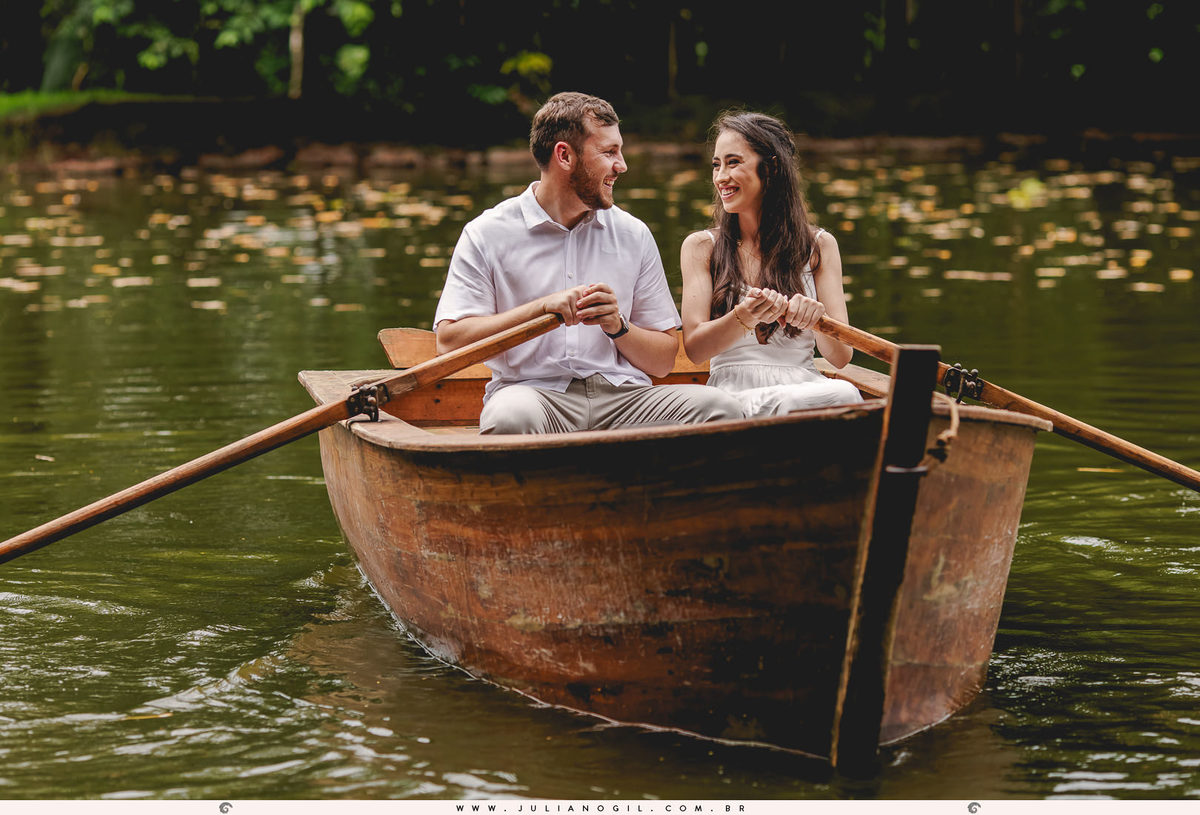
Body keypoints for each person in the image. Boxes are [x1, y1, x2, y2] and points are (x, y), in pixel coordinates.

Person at [434, 91, 742, 434]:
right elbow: (449, 343)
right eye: (609, 152)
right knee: (508, 418)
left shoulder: (633, 234)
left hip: (625, 399)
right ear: (564, 155)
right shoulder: (486, 234)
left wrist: (618, 326)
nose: (621, 165)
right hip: (532, 395)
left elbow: (663, 361)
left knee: (721, 408)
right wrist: (540, 308)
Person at [680, 111, 863, 417]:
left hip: (806, 387)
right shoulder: (701, 247)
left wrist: (817, 322)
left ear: (771, 168)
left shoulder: (819, 246)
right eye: (717, 164)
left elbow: (841, 357)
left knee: (844, 392)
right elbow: (696, 350)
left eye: (733, 162)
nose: (721, 176)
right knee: (789, 405)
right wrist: (743, 317)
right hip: (731, 395)